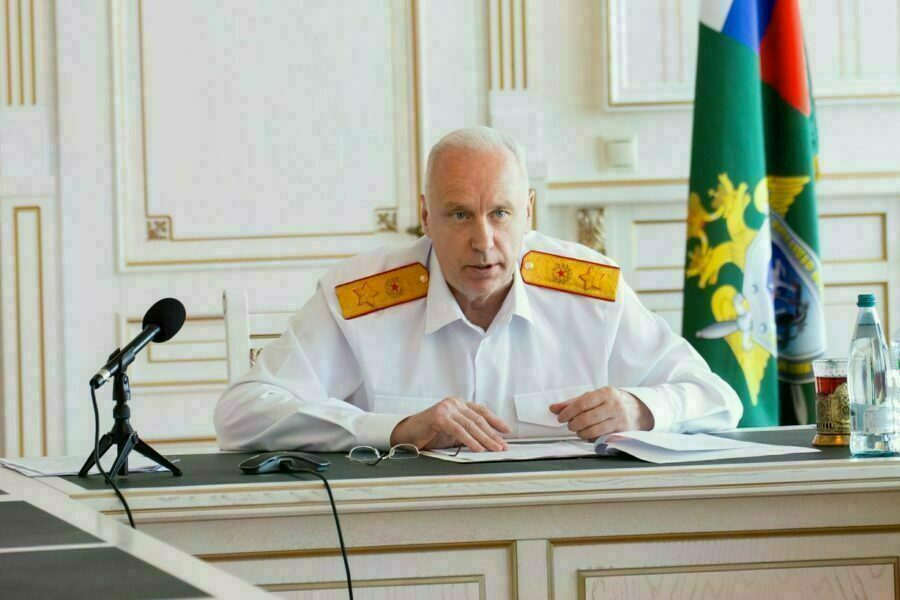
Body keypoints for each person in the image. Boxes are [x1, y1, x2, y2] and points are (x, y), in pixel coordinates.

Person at [214, 127, 742, 453]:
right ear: (426, 216)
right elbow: (241, 415)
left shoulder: (589, 290)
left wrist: (639, 409)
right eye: (459, 215)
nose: (483, 241)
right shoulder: (363, 299)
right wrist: (396, 429)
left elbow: (719, 399)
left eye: (500, 214)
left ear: (529, 212)